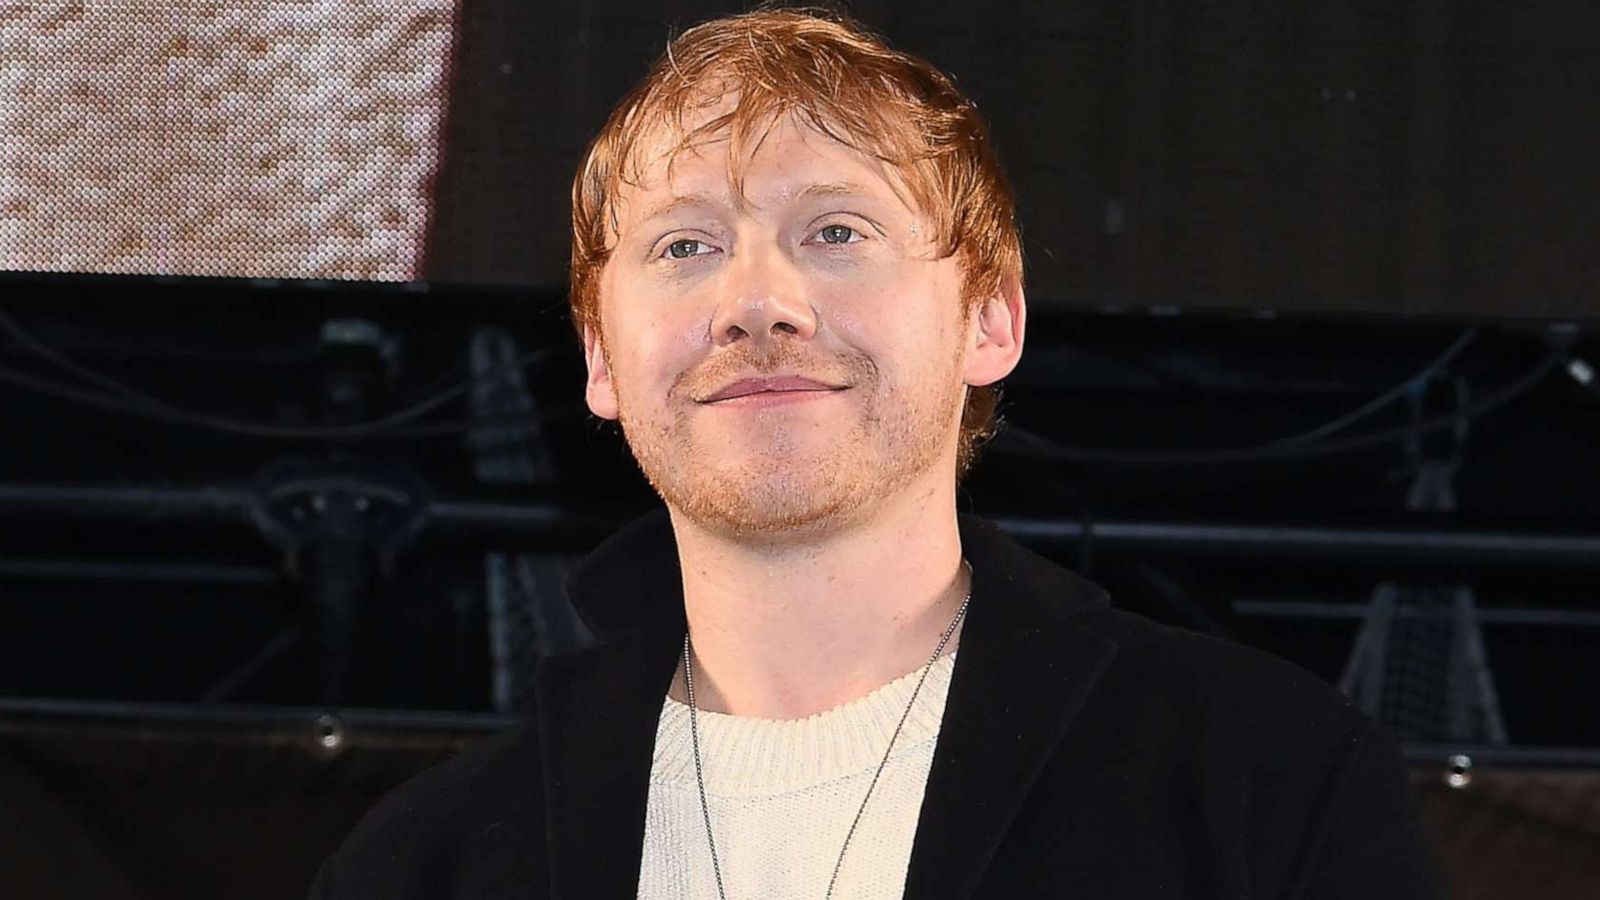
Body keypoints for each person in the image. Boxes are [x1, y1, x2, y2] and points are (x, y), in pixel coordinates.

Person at [310, 8, 1443, 899]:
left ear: (991, 321)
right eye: (685, 244)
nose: (758, 303)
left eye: (836, 232)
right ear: (601, 358)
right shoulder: (424, 864)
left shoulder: (1261, 780)